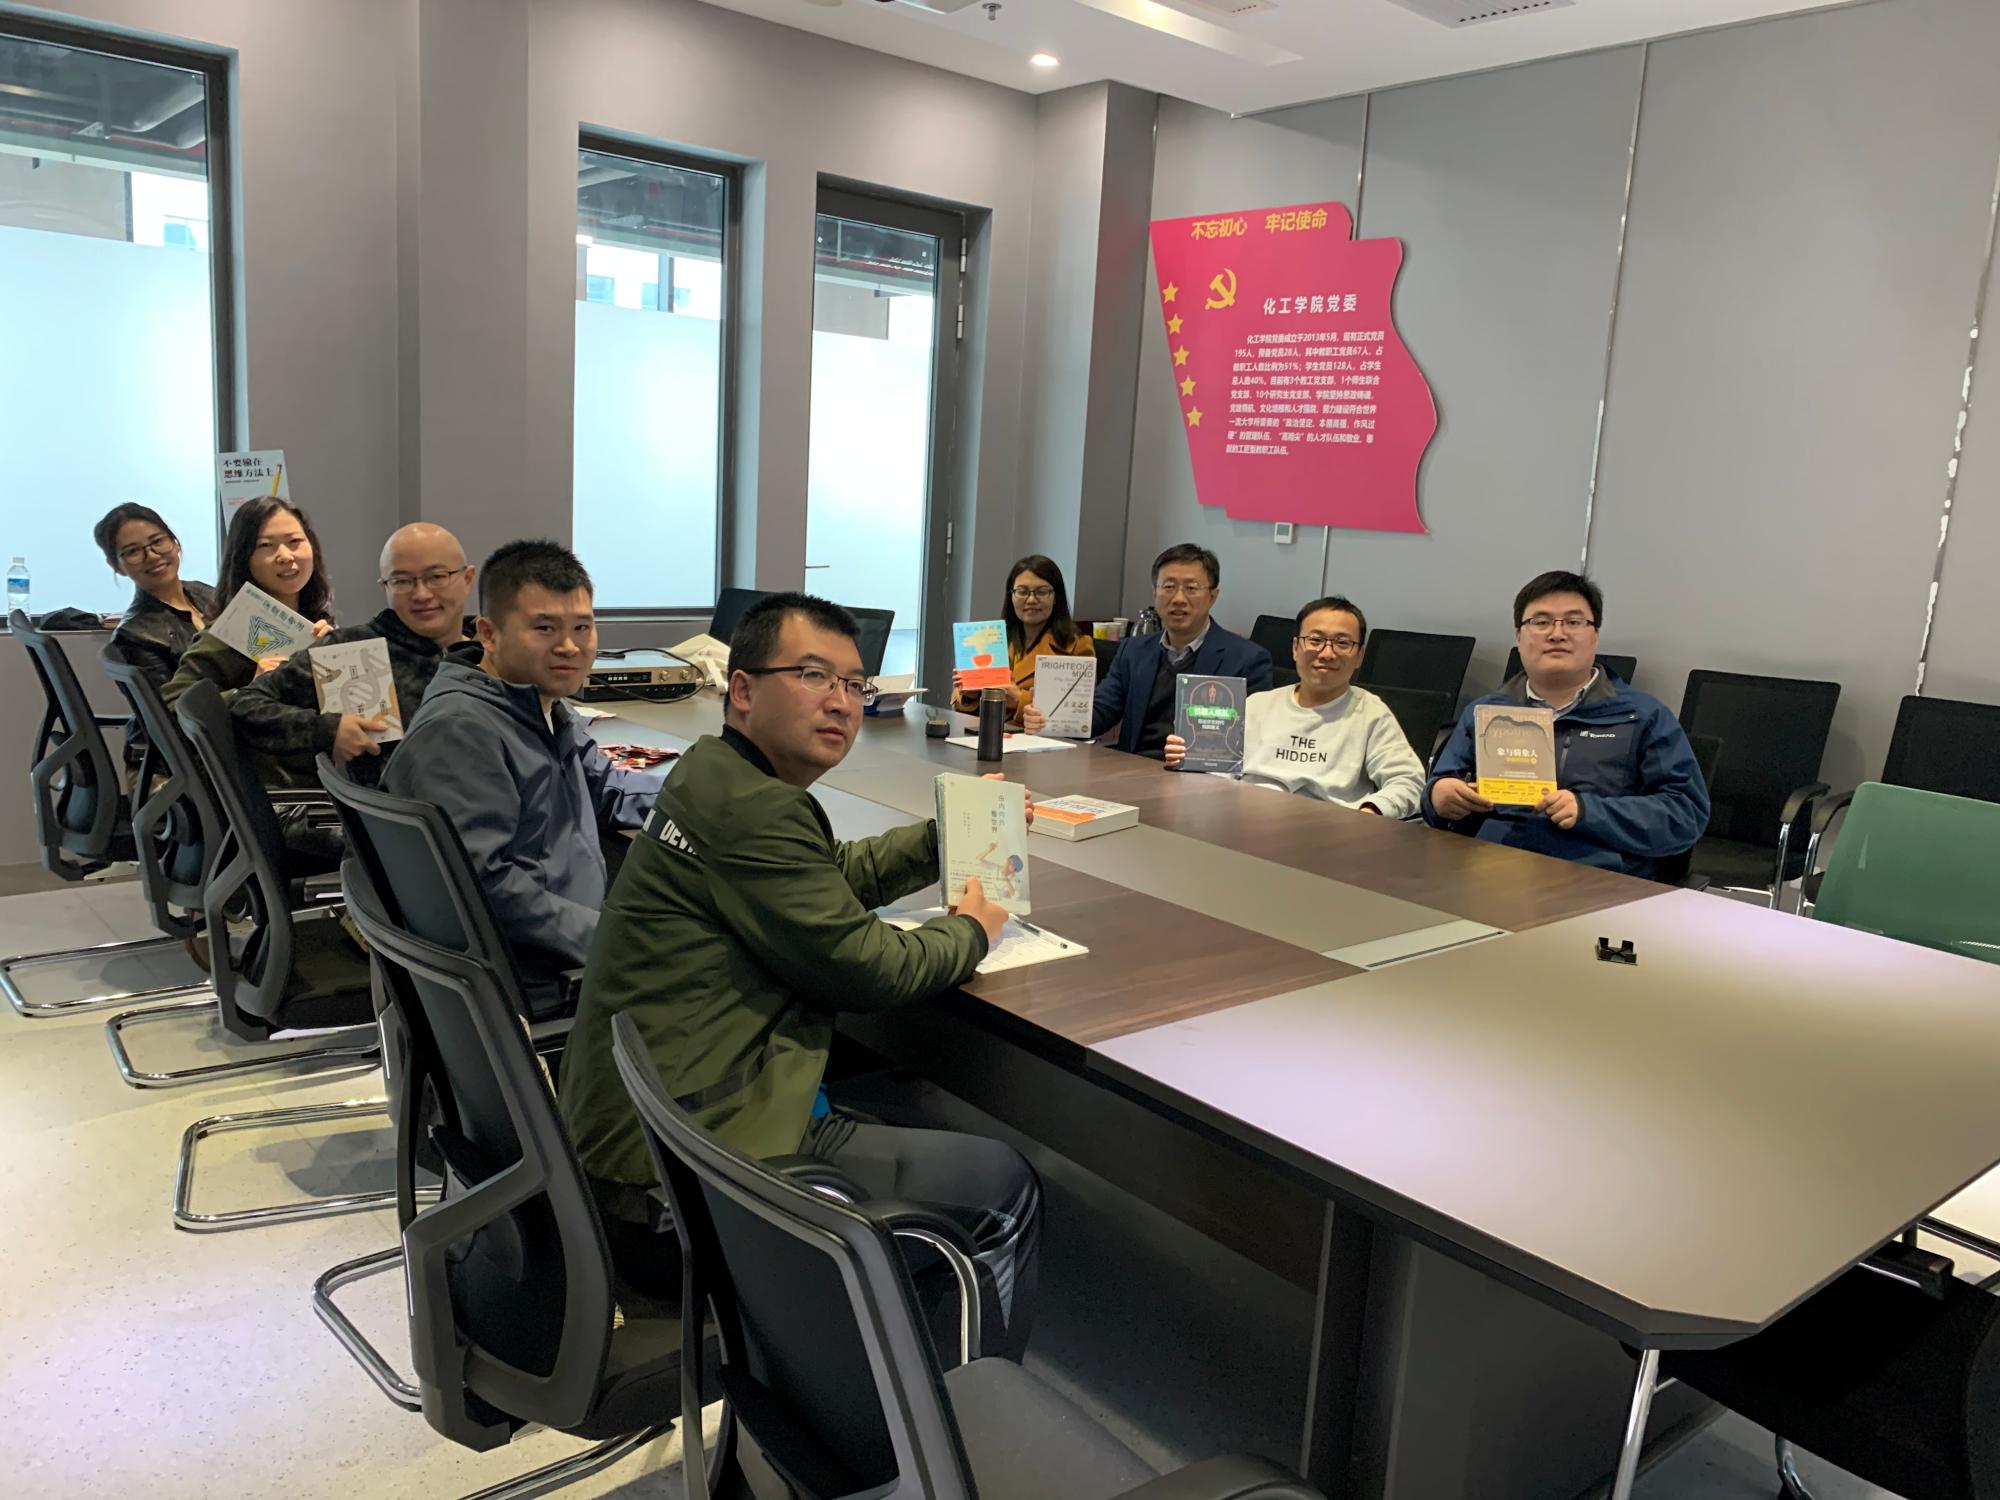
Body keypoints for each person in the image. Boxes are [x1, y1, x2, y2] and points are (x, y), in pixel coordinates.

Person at [559, 592, 1041, 1358]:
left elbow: (826, 875)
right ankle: (941, 1405)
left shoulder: (716, 773)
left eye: (854, 684)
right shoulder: (755, 810)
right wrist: (974, 930)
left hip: (644, 1135)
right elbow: (872, 971)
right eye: (814, 676)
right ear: (742, 689)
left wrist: (945, 837)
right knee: (1003, 1183)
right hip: (689, 1176)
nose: (841, 702)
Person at [383, 540, 662, 1013]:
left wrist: (703, 796)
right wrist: (613, 941)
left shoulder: (537, 704)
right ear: (488, 634)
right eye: (545, 628)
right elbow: (482, 889)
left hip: (570, 939)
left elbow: (607, 789)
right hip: (539, 979)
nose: (569, 646)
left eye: (582, 627)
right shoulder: (462, 732)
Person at [1423, 571, 1709, 877]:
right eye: (1541, 622)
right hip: (1491, 871)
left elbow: (1685, 813)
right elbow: (1437, 795)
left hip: (1596, 879)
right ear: (1519, 637)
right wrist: (1438, 797)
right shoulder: (1486, 713)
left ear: (1595, 636)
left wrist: (1588, 811)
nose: (1557, 634)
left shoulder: (1642, 716)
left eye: (1573, 622)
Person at [230, 522, 475, 786]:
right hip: (393, 806)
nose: (421, 594)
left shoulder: (493, 651)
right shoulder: (350, 648)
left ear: (467, 579)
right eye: (402, 581)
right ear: (385, 587)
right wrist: (327, 730)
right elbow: (246, 704)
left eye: (437, 577)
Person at [1168, 595, 1425, 816]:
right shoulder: (1257, 705)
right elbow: (1217, 776)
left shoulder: (1371, 713)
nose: (1327, 653)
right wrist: (1190, 757)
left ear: (1359, 656)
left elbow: (1408, 781)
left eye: (1342, 643)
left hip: (1328, 832)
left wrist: (1371, 811)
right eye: (1315, 640)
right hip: (1244, 822)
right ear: (1295, 648)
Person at [1024, 542, 1271, 756]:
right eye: (1169, 587)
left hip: (1202, 779)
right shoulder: (1133, 651)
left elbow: (1251, 739)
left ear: (1213, 596)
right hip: (1133, 770)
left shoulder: (1247, 660)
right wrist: (1051, 718)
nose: (1179, 598)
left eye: (1191, 588)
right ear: (1155, 593)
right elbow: (1101, 711)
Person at [163, 497, 337, 710]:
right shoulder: (227, 635)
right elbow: (173, 703)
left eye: (294, 541)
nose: (285, 556)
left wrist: (335, 653)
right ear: (243, 558)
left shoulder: (318, 622)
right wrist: (252, 691)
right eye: (266, 545)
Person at [96, 503, 219, 758]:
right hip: (193, 755)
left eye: (157, 542)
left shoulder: (206, 594)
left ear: (174, 542)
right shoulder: (135, 636)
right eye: (133, 551)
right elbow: (173, 717)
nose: (152, 556)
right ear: (116, 565)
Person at [952, 554, 1095, 726]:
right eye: (1022, 592)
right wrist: (970, 695)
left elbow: (1076, 716)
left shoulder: (1077, 646)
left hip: (1037, 738)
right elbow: (961, 710)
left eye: (1042, 592)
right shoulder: (992, 640)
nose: (1031, 600)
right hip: (987, 733)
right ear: (1011, 596)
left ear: (1056, 597)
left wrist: (1019, 700)